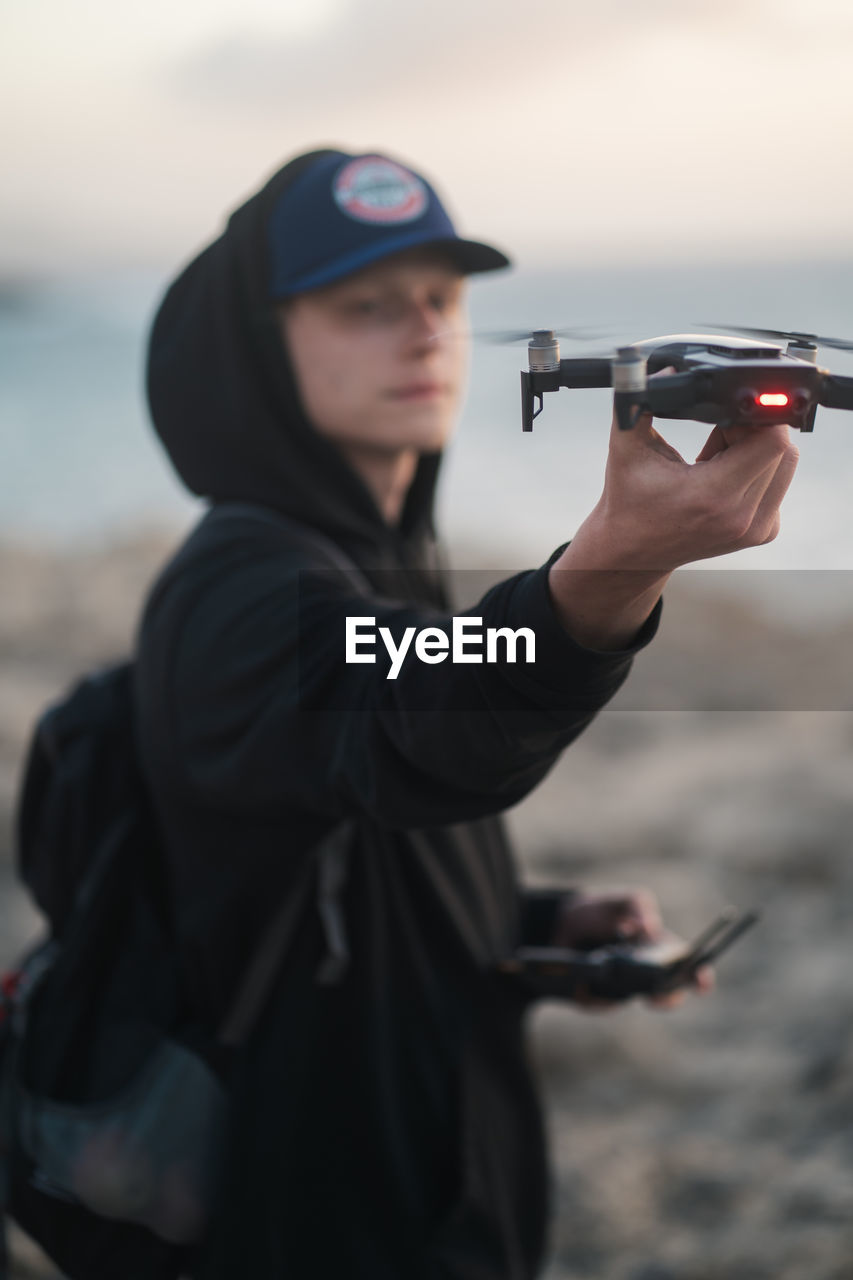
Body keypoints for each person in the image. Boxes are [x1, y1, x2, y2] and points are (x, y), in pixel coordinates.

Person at [133, 148, 798, 1279]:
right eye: (365, 305)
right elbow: (417, 716)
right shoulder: (235, 591)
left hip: (433, 1168)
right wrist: (599, 577)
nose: (426, 331)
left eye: (442, 298)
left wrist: (523, 922)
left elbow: (346, 827)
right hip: (319, 1207)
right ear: (257, 344)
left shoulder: (372, 556)